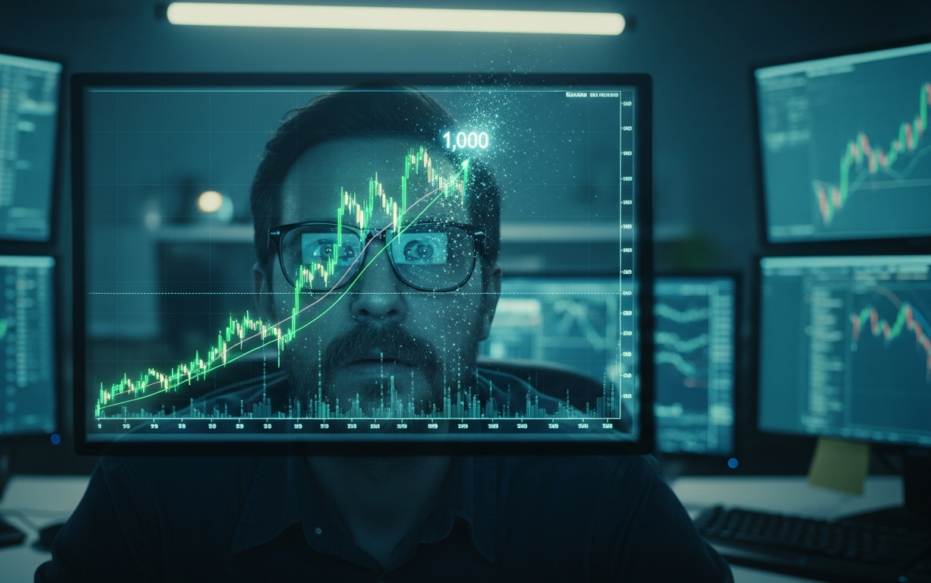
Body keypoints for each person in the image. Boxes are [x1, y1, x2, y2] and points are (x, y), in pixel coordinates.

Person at [36, 83, 733, 581]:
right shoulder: (152, 487)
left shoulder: (604, 491)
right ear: (268, 297)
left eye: (425, 249)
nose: (376, 300)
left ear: (489, 298)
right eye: (325, 250)